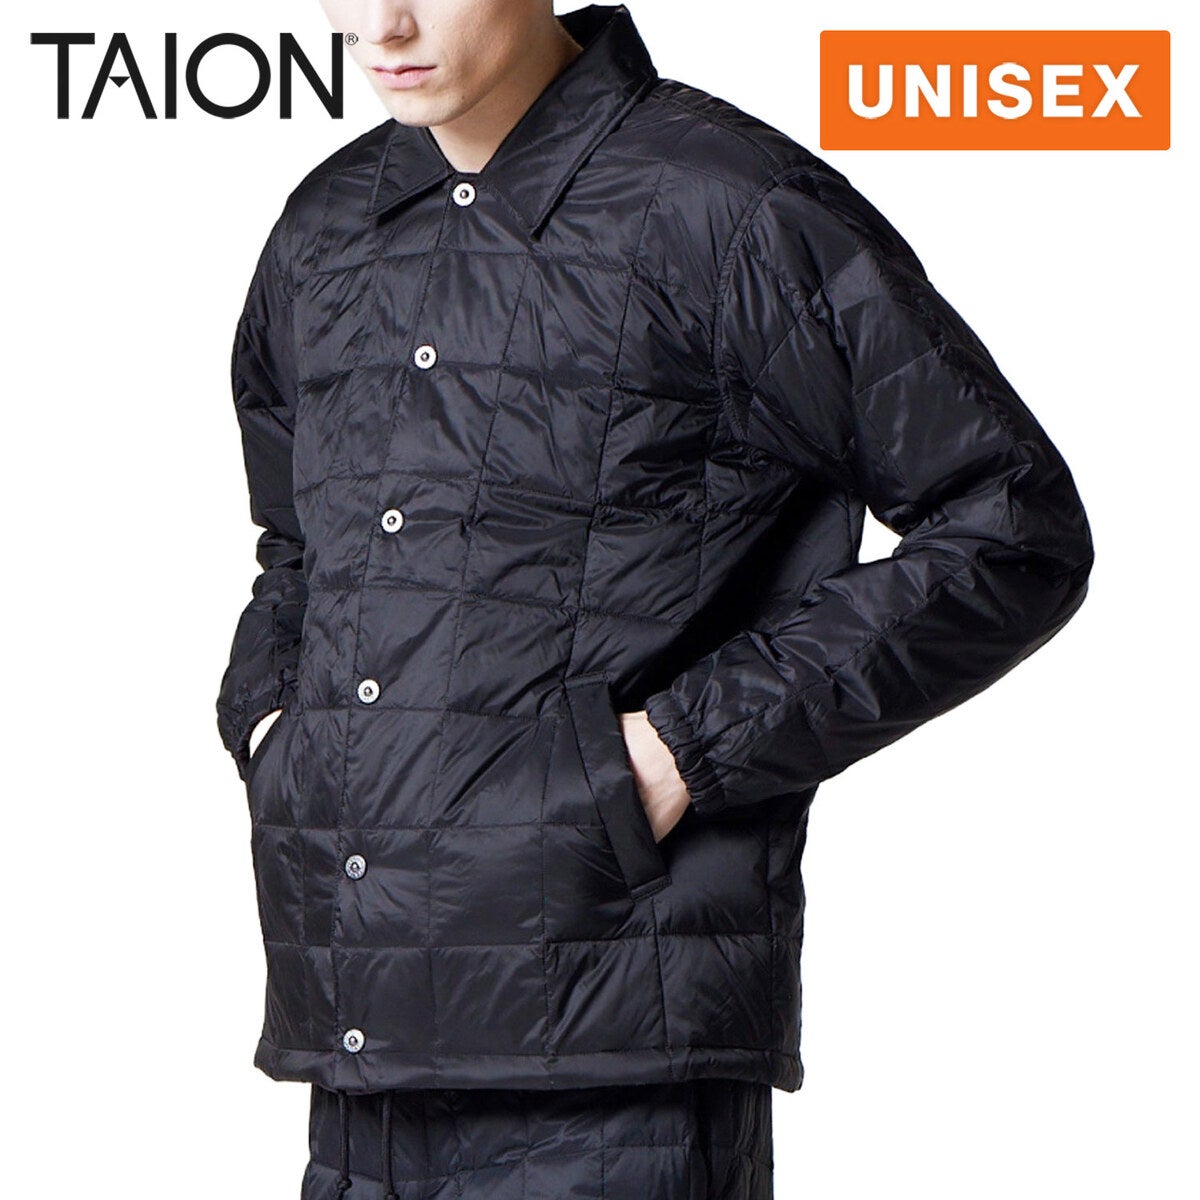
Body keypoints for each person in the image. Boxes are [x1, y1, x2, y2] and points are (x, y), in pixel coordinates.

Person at [215, 3, 1094, 1197]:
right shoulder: (325, 230)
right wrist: (277, 728)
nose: (383, 22)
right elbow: (299, 544)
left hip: (619, 1059)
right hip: (358, 1055)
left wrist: (677, 752)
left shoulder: (724, 206)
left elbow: (1012, 524)